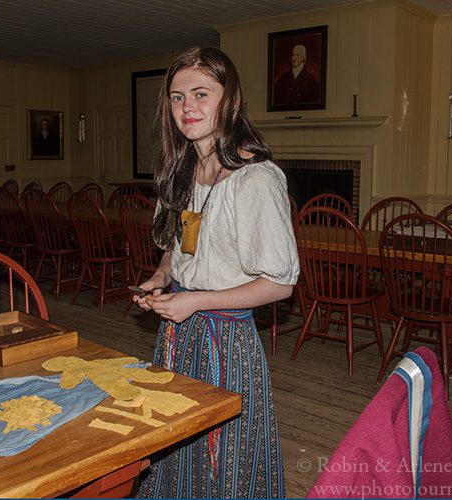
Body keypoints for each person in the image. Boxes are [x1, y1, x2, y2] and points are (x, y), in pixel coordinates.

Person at [134, 47, 299, 498]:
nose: (187, 107)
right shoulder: (182, 170)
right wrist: (162, 277)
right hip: (180, 330)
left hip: (224, 340)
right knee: (173, 443)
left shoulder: (256, 179)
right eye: (176, 97)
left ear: (232, 99)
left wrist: (196, 300)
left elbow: (280, 284)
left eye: (201, 93)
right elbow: (178, 245)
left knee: (225, 454)